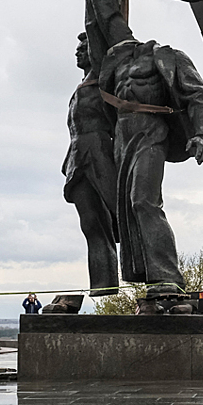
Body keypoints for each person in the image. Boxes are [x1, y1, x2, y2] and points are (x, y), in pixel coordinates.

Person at [79, 0, 203, 301]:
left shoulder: (163, 56)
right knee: (126, 211)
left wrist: (202, 134)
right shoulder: (115, 62)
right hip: (123, 139)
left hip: (151, 132)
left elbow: (197, 94)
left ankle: (168, 277)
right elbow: (99, 18)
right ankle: (148, 276)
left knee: (144, 200)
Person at [64, 32, 119, 296]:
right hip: (78, 155)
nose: (78, 51)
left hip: (100, 152)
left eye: (84, 47)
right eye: (77, 47)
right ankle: (103, 283)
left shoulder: (104, 78)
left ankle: (151, 274)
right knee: (91, 222)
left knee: (122, 215)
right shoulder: (81, 87)